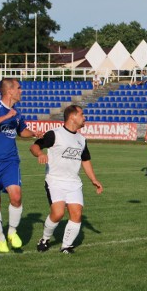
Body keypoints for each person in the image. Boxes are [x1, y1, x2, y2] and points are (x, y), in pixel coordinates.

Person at [0, 78, 40, 253]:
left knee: (16, 196)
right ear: (10, 91)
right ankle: (0, 238)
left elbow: (22, 131)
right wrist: (5, 117)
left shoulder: (17, 113)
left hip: (10, 161)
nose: (22, 91)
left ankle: (12, 232)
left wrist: (34, 133)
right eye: (19, 88)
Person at [30, 105, 103, 254]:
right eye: (82, 114)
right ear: (72, 117)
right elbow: (35, 146)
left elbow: (86, 160)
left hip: (74, 183)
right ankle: (45, 239)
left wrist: (94, 179)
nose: (85, 117)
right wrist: (40, 154)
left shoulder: (82, 140)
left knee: (76, 214)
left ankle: (66, 246)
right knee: (58, 214)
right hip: (55, 180)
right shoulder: (54, 134)